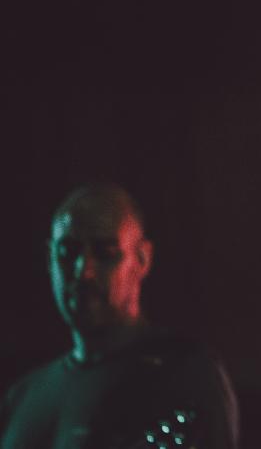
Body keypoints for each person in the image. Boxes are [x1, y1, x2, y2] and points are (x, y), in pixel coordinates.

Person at [0, 184, 239, 449]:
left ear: (142, 259)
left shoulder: (185, 374)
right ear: (49, 259)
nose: (84, 271)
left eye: (106, 253)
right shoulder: (23, 396)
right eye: (67, 252)